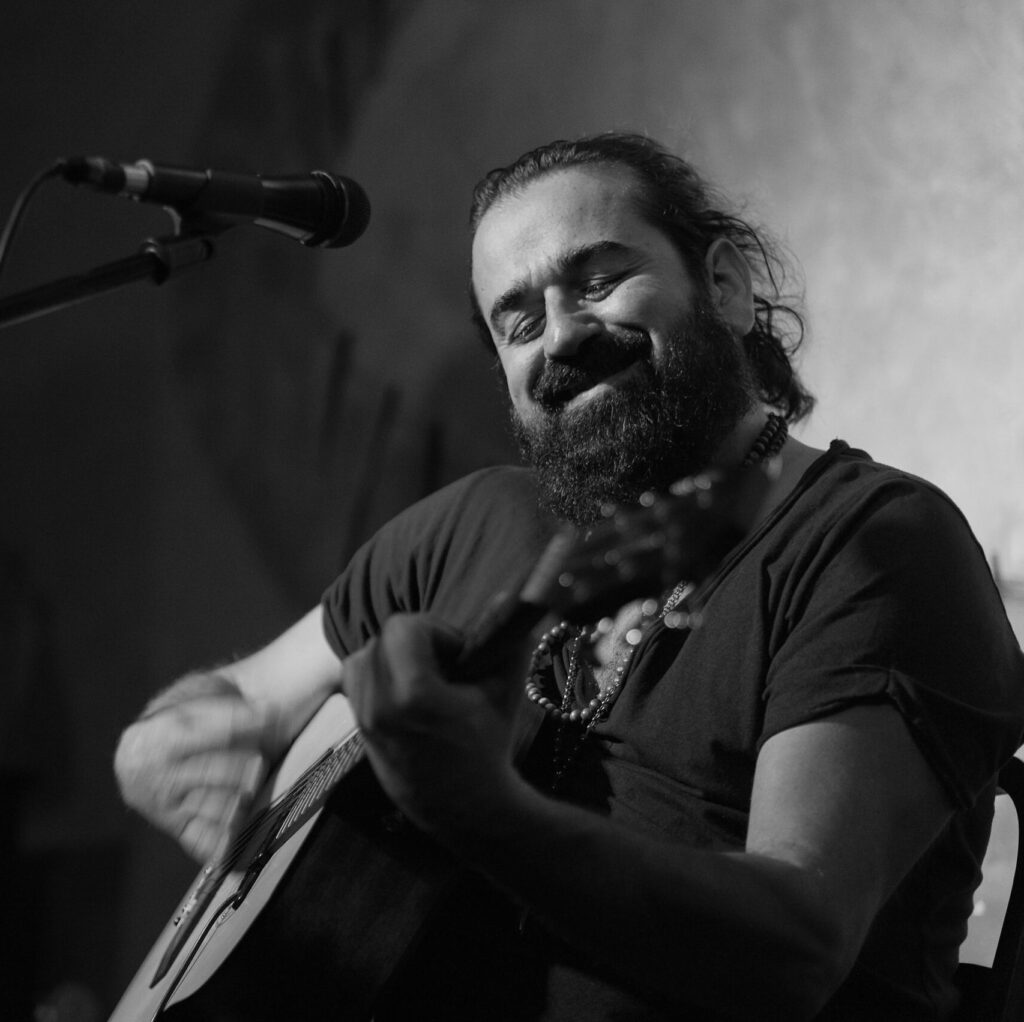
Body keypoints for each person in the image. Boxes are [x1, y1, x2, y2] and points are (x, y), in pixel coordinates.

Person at [114, 132, 1024, 1021]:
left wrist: (484, 810)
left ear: (725, 286)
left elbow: (798, 951)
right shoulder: (472, 526)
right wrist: (162, 744)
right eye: (518, 322)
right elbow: (242, 700)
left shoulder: (872, 542)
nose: (561, 335)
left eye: (597, 281)